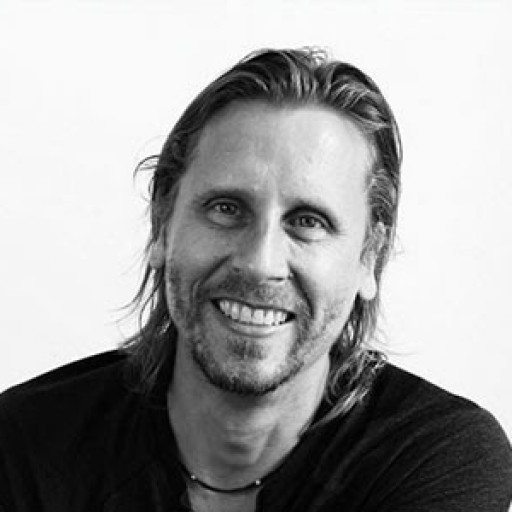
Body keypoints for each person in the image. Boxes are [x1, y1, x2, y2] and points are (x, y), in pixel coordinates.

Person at [0, 48, 511, 512]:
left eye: (308, 221)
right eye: (227, 209)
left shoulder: (436, 458)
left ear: (368, 259)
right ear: (162, 226)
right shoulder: (25, 445)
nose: (260, 263)